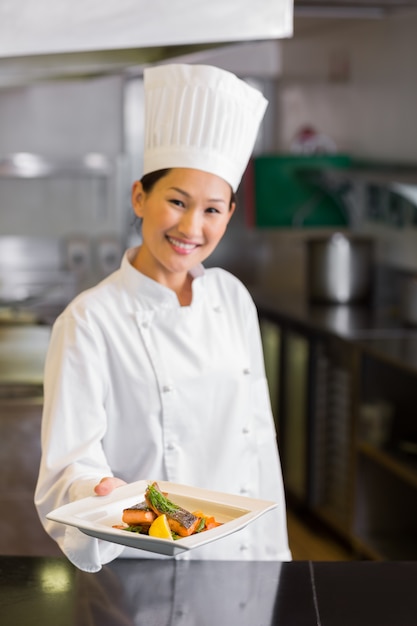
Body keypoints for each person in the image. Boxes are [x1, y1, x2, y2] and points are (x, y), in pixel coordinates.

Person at [35, 63, 291, 572]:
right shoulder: (89, 320)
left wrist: (274, 559)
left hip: (246, 563)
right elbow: (66, 473)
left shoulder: (233, 298)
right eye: (177, 201)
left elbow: (258, 445)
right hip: (143, 566)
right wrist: (98, 491)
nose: (191, 227)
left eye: (212, 209)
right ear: (139, 196)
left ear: (230, 214)